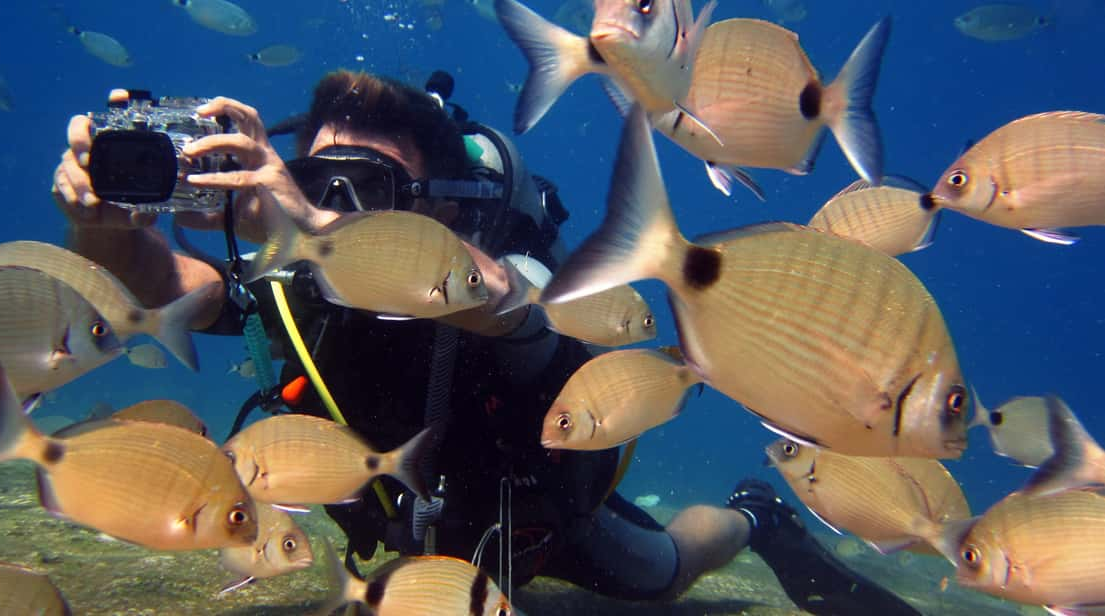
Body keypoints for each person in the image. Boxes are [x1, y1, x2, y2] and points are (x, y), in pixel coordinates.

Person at [51, 69, 921, 614]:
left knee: (660, 571)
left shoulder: (494, 262)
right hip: (391, 521)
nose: (338, 208)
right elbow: (169, 294)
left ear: (440, 199)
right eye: (320, 182)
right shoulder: (293, 269)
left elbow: (506, 301)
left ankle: (754, 516)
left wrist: (320, 225)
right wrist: (102, 229)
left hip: (536, 506)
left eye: (372, 187)